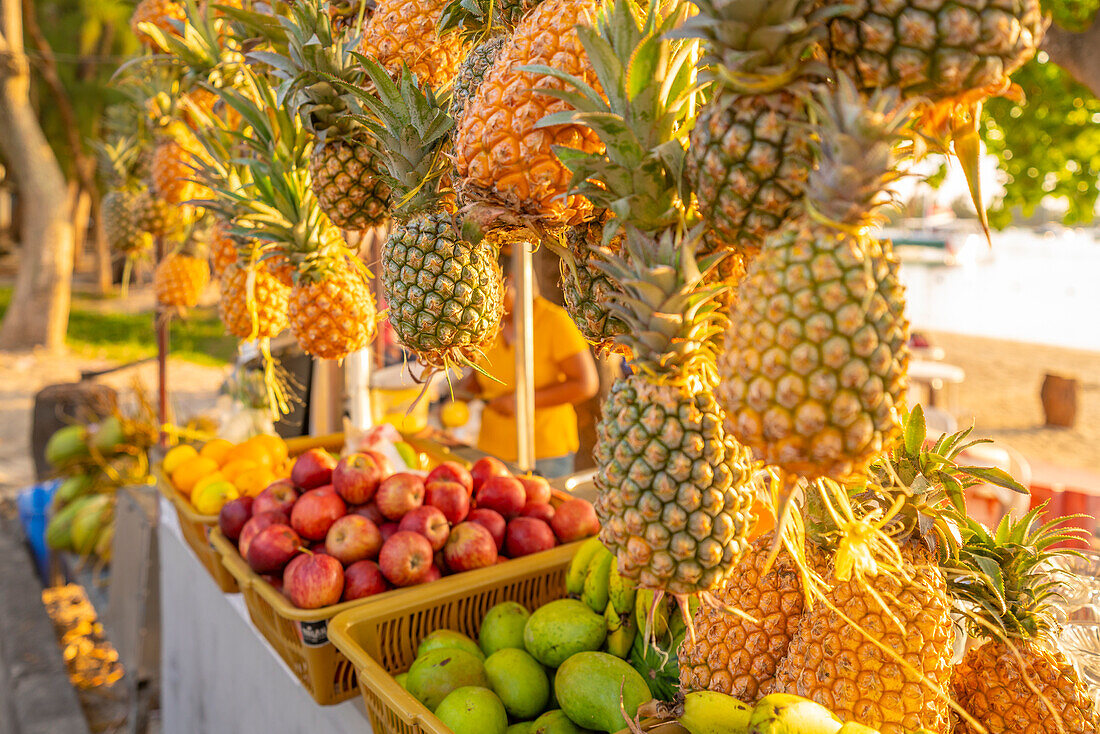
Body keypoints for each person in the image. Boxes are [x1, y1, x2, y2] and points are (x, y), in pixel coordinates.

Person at [458, 261, 599, 478]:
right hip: (492, 449)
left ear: (513, 282)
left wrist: (522, 402)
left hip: (545, 451)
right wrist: (466, 390)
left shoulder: (555, 321)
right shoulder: (486, 324)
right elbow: (487, 374)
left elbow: (585, 384)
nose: (487, 302)